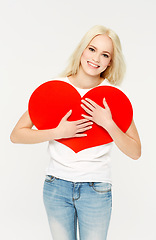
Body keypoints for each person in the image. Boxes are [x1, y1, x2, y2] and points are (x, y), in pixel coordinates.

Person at [10, 25, 141, 240]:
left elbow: (136, 151)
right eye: (92, 49)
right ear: (82, 50)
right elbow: (16, 135)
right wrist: (58, 132)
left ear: (110, 62)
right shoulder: (54, 89)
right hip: (56, 186)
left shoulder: (113, 97)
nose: (96, 58)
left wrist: (108, 123)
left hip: (96, 189)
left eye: (105, 54)